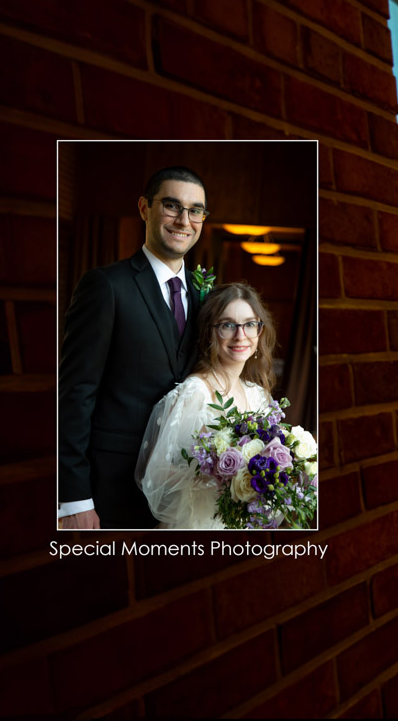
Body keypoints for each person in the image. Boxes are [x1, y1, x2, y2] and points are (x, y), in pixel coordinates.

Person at [57, 166, 208, 529]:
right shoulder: (106, 286)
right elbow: (74, 393)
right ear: (144, 208)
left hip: (186, 490)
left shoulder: (208, 296)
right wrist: (73, 497)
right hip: (112, 488)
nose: (183, 220)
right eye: (171, 206)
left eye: (195, 210)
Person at [136, 283, 279, 529]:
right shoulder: (196, 392)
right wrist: (219, 475)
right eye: (227, 325)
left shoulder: (259, 395)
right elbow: (156, 472)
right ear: (210, 333)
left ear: (260, 331)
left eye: (249, 324)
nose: (240, 335)